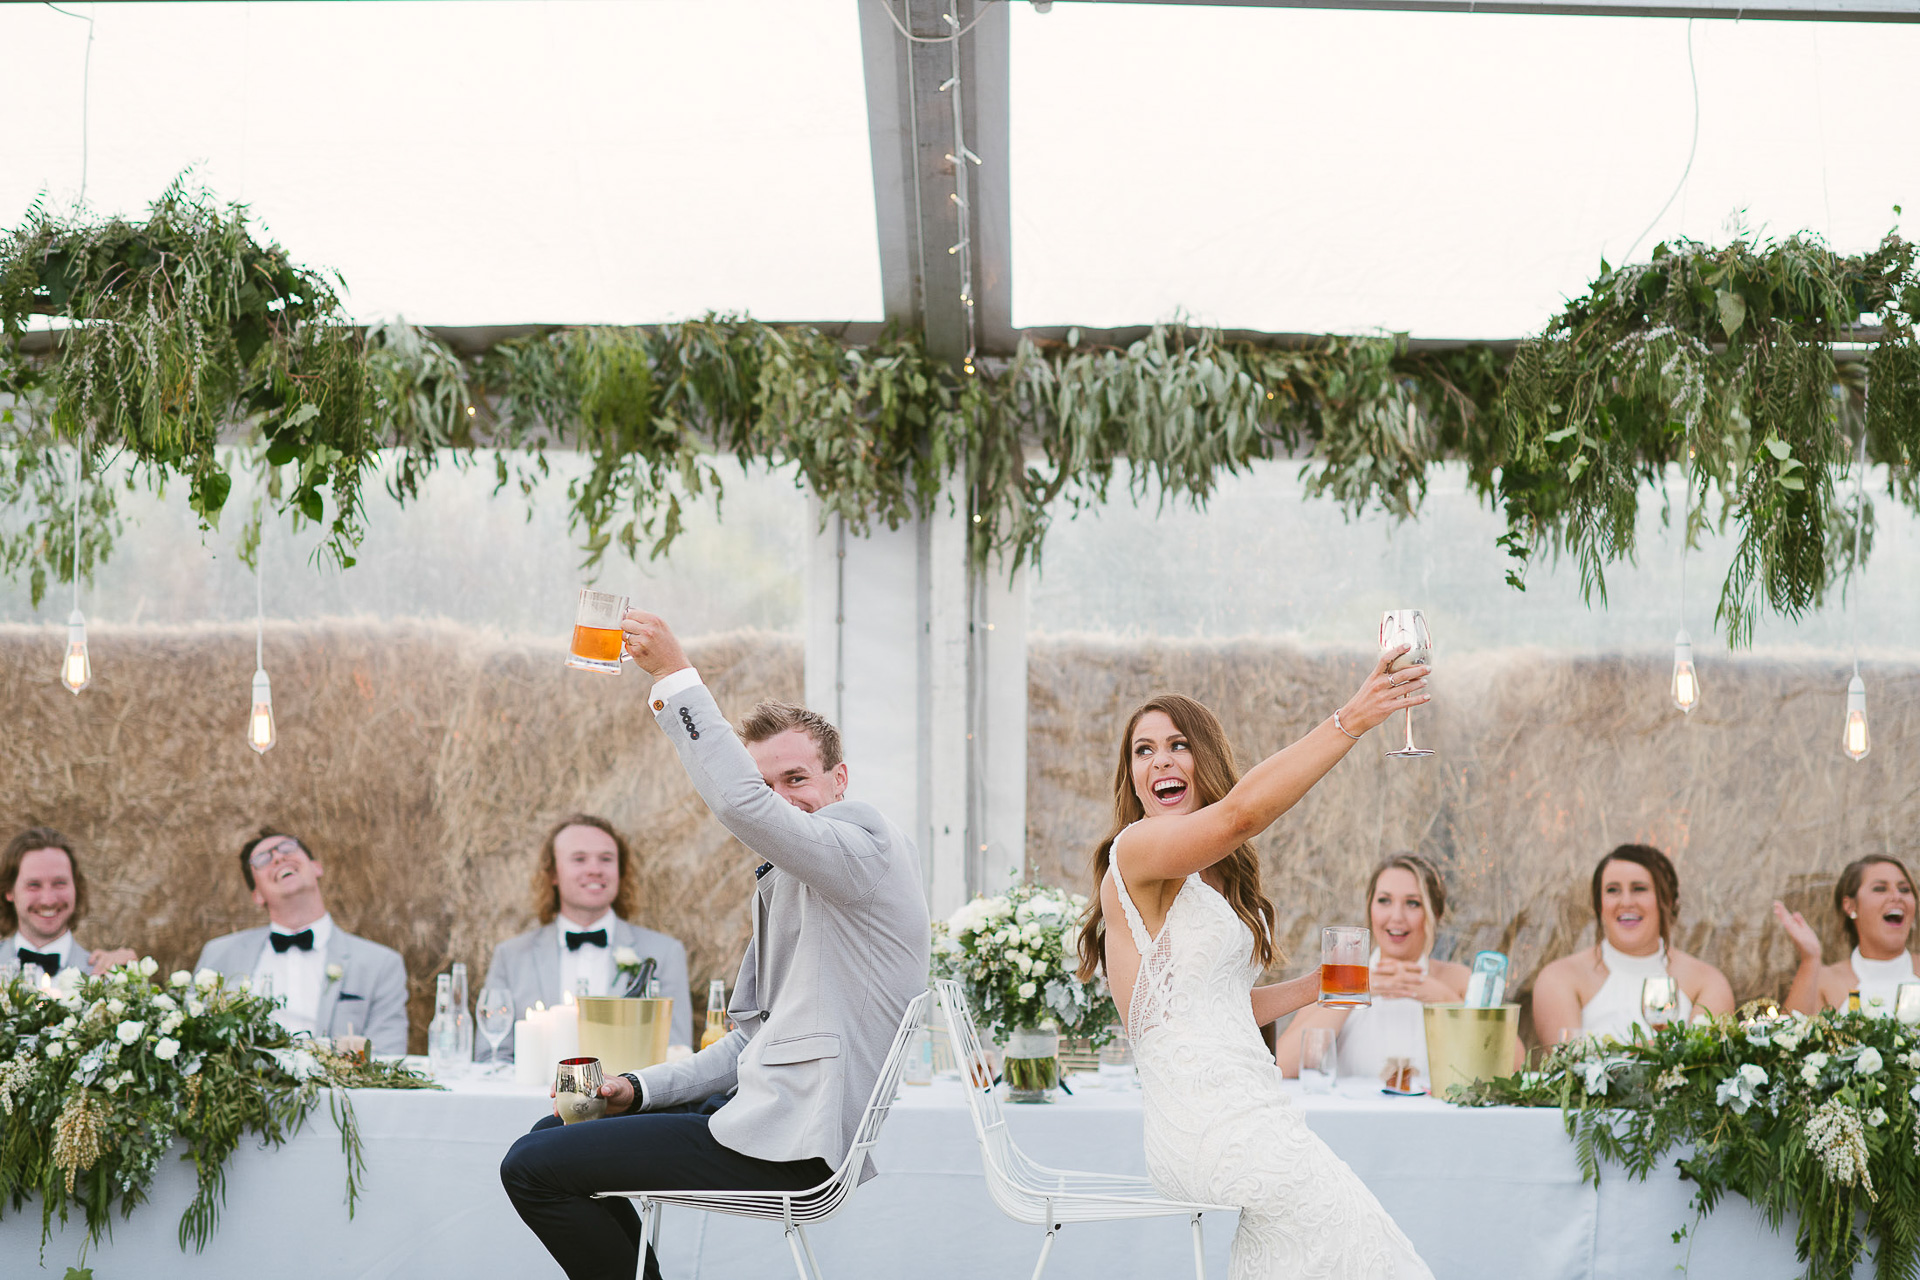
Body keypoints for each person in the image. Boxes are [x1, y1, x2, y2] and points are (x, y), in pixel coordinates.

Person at [500, 610, 931, 1280]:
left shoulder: (864, 845)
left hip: (797, 1140)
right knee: (549, 1138)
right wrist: (636, 1089)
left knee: (529, 1168)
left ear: (839, 783)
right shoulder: (794, 879)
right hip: (763, 1109)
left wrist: (674, 674)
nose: (779, 801)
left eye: (797, 780)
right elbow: (746, 1044)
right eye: (765, 784)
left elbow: (740, 808)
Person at [1075, 667, 1436, 1279]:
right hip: (1201, 1120)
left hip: (1254, 1105)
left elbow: (1218, 1009)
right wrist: (1352, 719)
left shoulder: (1208, 876)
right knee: (1362, 1240)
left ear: (1205, 759)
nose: (1160, 761)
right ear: (1131, 778)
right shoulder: (1134, 852)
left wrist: (1316, 986)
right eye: (1144, 751)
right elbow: (1240, 815)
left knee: (1317, 1247)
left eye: (1178, 745)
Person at [479, 814, 693, 1061]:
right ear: (553, 874)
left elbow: (678, 1054)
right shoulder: (511, 956)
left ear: (620, 872)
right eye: (579, 859)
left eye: (606, 859)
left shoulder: (664, 954)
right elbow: (491, 1055)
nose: (594, 869)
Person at [194, 828, 410, 1054]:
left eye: (288, 848)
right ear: (256, 894)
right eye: (262, 859)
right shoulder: (218, 955)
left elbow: (388, 1056)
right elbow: (196, 1046)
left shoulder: (381, 964)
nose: (278, 857)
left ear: (317, 867)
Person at [1275, 853, 1468, 1084]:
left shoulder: (1458, 980)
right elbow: (1283, 1065)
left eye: (1413, 903)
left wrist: (1447, 1001)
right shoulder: (1337, 977)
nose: (1396, 917)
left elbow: (1512, 1069)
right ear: (1370, 907)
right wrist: (1354, 988)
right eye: (1384, 901)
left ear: (1434, 914)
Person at [1531, 844, 1733, 1044]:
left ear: (1667, 900)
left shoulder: (1707, 982)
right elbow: (1567, 1067)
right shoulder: (1559, 978)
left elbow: (1702, 1065)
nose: (1626, 901)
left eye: (1639, 889)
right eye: (1613, 890)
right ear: (1599, 905)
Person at [1774, 855, 1918, 1016]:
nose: (1896, 896)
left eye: (1904, 889)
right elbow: (1789, 1035)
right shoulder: (1825, 982)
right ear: (1850, 906)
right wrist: (1810, 958)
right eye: (1880, 888)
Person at [0, 827, 137, 977]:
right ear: (9, 890)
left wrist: (133, 978)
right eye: (34, 885)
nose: (48, 900)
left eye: (59, 883)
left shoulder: (109, 975)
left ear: (76, 887)